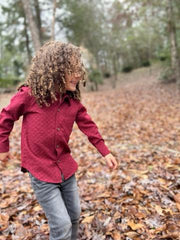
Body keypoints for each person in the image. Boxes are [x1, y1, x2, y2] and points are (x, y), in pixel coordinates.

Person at [0, 41, 118, 240]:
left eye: (79, 69)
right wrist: (3, 147)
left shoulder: (72, 102)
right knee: (61, 224)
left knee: (74, 216)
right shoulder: (29, 96)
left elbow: (89, 127)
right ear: (55, 70)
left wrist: (105, 152)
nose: (78, 74)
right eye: (72, 70)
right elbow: (5, 117)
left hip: (65, 168)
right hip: (41, 171)